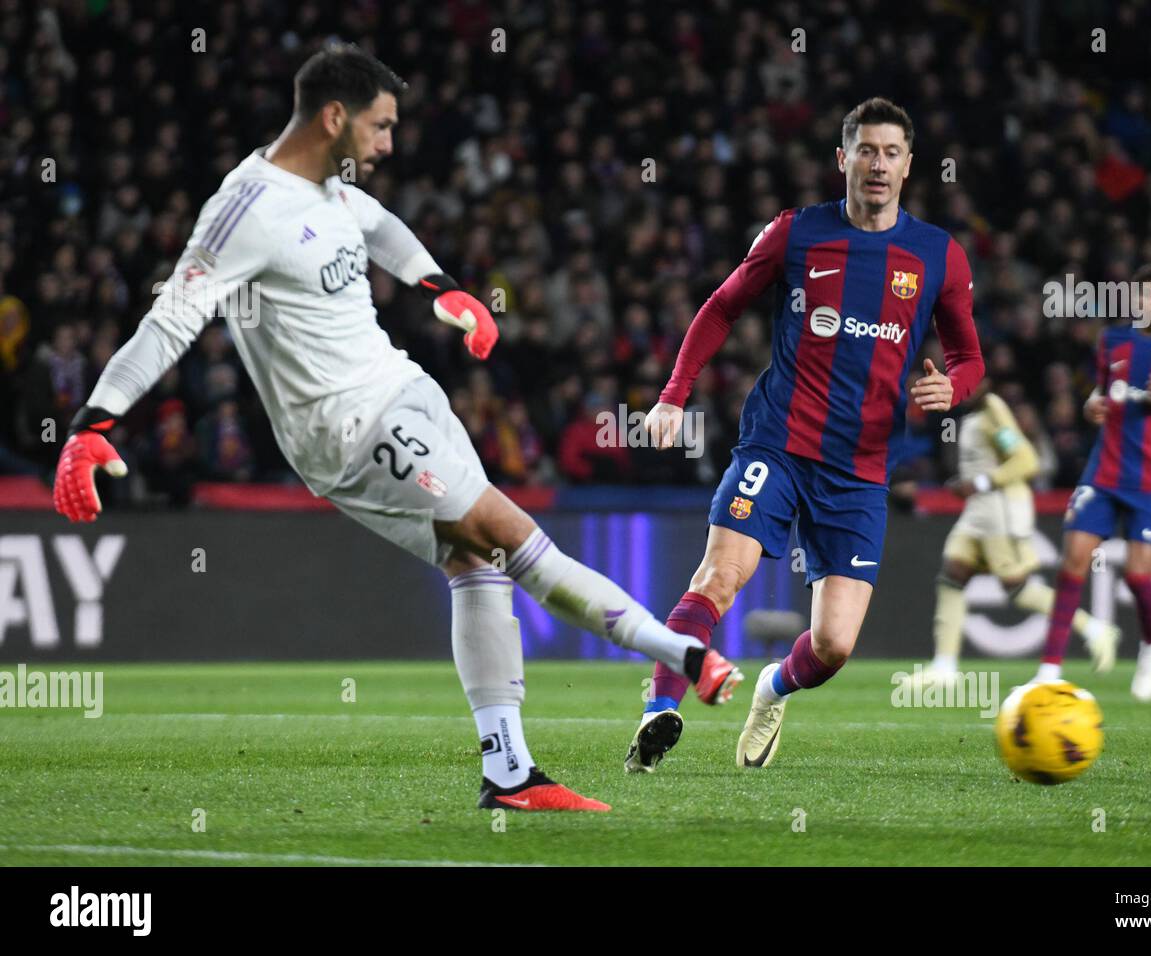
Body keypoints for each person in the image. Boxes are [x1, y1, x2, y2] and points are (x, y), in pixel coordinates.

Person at [51, 44, 735, 811]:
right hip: (344, 426)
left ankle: (509, 771)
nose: (386, 146)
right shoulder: (246, 208)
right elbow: (172, 318)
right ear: (334, 117)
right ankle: (682, 655)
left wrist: (441, 286)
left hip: (401, 388)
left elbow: (379, 228)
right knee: (506, 532)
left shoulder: (332, 189)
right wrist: (93, 422)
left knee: (473, 563)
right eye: (379, 128)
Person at [623, 97, 985, 772]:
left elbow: (969, 359)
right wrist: (673, 396)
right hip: (778, 445)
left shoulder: (939, 255)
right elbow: (721, 306)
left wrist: (951, 389)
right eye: (867, 151)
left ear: (909, 167)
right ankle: (658, 711)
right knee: (720, 576)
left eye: (892, 153)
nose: (878, 164)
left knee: (835, 646)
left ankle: (770, 689)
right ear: (842, 159)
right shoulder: (796, 234)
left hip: (860, 469)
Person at [1032, 264, 1151, 700]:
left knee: (1137, 577)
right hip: (1104, 472)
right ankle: (1049, 669)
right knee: (1073, 561)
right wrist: (1090, 407)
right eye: (1147, 294)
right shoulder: (1112, 341)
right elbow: (1099, 395)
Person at [905, 377, 1120, 690]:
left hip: (1000, 511)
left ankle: (1095, 629)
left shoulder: (993, 410)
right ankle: (945, 665)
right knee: (952, 572)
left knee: (1016, 589)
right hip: (979, 512)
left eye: (965, 383)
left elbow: (1026, 460)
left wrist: (978, 484)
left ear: (984, 384)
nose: (960, 389)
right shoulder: (975, 415)